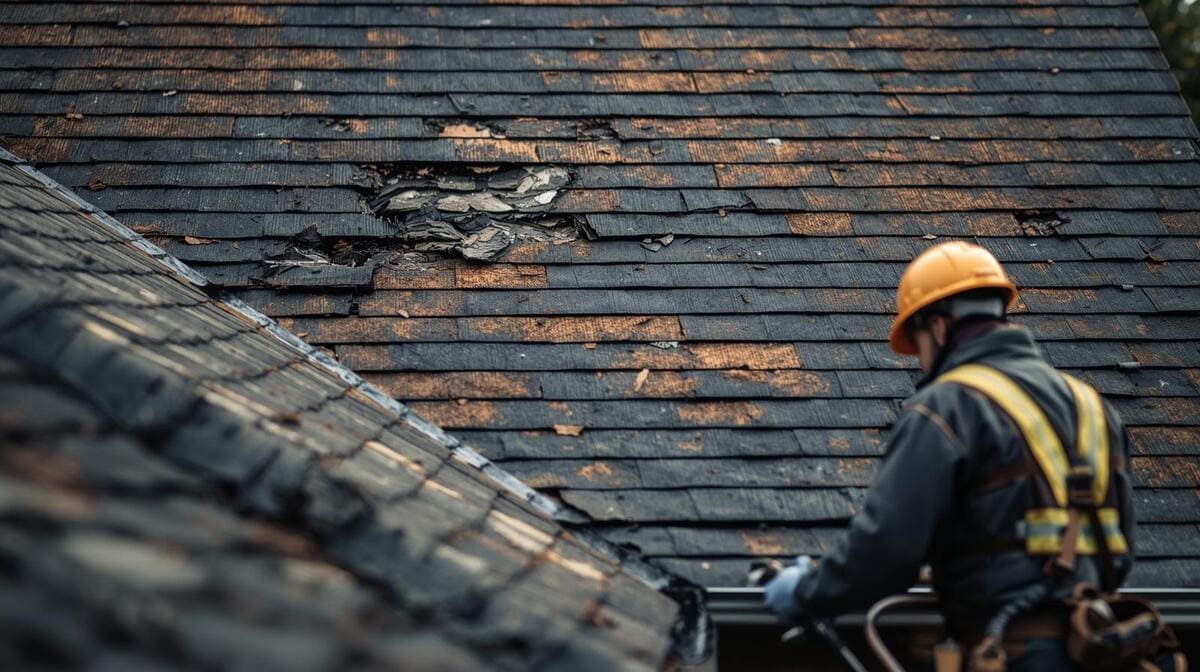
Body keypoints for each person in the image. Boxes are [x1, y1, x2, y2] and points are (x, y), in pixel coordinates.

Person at [762, 241, 1139, 671]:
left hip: (1011, 651)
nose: (922, 363)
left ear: (939, 328)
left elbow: (887, 548)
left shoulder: (949, 406)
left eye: (918, 344)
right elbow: (1119, 551)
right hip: (1101, 649)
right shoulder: (1093, 408)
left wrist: (805, 592)